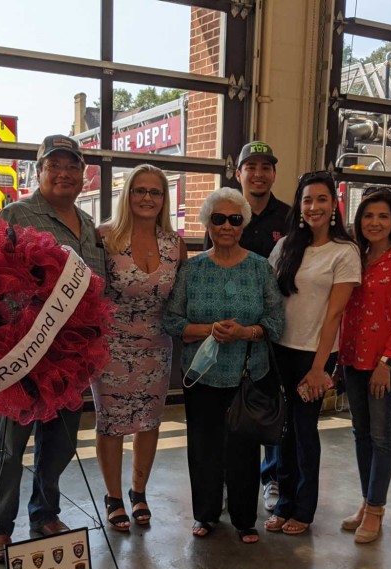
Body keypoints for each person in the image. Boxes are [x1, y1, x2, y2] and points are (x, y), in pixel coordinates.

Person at [0, 134, 106, 560]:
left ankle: (45, 512)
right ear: (39, 171)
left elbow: (99, 287)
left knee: (60, 443)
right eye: (55, 165)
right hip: (23, 354)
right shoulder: (16, 214)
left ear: (84, 176)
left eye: (73, 167)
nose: (65, 174)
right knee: (10, 446)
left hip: (69, 358)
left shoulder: (88, 226)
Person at [163, 187, 285, 544]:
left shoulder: (261, 268)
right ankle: (205, 514)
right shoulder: (194, 269)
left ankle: (246, 519)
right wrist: (208, 331)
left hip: (247, 376)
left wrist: (246, 332)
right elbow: (171, 320)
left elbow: (276, 322)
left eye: (235, 219)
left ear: (243, 224)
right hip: (201, 375)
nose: (227, 226)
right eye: (219, 219)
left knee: (244, 449)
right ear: (208, 224)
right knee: (203, 448)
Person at [264, 171, 361, 535]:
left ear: (333, 204)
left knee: (304, 430)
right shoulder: (288, 245)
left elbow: (335, 313)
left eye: (321, 199)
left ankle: (303, 509)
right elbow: (270, 296)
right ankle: (284, 503)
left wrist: (320, 367)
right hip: (280, 351)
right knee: (283, 430)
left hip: (314, 356)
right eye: (307, 200)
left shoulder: (344, 252)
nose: (314, 206)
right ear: (300, 206)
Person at [91, 165, 187, 531]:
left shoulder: (174, 244)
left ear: (164, 199)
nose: (147, 198)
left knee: (149, 422)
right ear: (127, 195)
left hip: (156, 347)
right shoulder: (105, 238)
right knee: (112, 424)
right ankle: (114, 497)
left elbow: (181, 299)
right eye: (140, 191)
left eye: (155, 192)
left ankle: (138, 492)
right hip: (111, 348)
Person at [207, 141, 292, 511]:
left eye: (266, 167)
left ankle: (271, 479)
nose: (258, 173)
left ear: (273, 173)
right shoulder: (223, 211)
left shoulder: (289, 217)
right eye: (250, 167)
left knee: (268, 407)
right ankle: (230, 481)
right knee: (231, 413)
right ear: (237, 173)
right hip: (227, 333)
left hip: (271, 331)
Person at [338, 185, 391, 544]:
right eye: (368, 215)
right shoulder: (355, 258)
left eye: (382, 216)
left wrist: (386, 363)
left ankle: (376, 510)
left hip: (385, 364)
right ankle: (366, 501)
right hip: (353, 360)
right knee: (360, 433)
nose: (374, 222)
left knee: (381, 435)